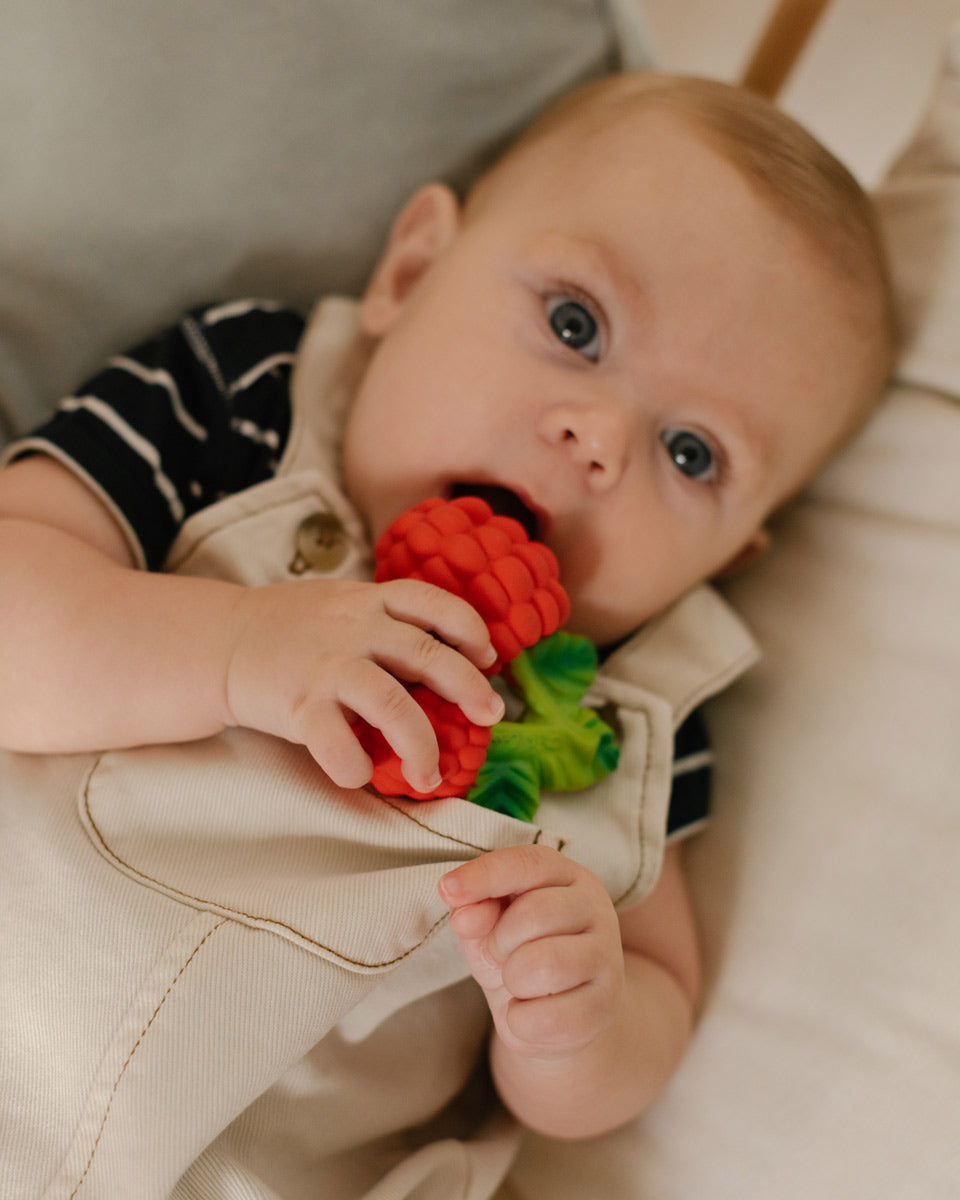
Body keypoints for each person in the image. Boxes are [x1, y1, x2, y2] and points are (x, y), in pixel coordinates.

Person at [0, 74, 894, 1195]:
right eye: (576, 327)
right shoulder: (247, 400)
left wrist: (581, 1021)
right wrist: (237, 647)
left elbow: (656, 998)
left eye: (692, 455)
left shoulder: (640, 710)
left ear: (729, 559)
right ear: (412, 271)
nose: (599, 440)